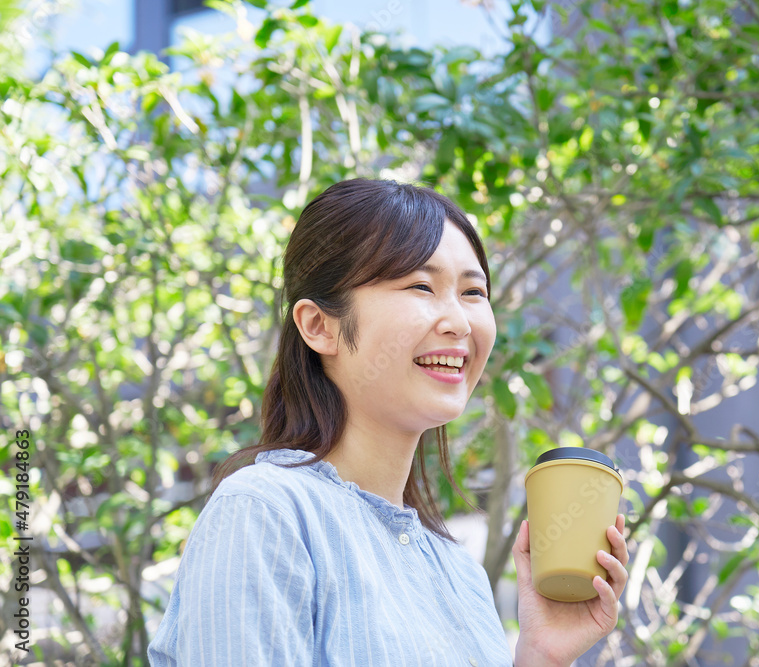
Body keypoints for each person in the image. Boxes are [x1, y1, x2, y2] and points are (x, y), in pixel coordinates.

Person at [147, 178, 630, 666]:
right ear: (319, 325)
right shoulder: (266, 511)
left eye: (473, 292)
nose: (459, 322)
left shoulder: (458, 572)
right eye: (421, 286)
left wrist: (542, 655)